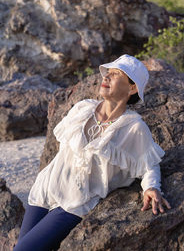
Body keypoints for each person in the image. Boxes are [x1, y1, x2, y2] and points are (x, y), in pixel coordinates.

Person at [14, 54, 171, 251]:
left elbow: (149, 164)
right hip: (44, 190)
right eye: (107, 73)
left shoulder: (133, 127)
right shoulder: (83, 108)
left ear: (132, 88)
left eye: (115, 74)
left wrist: (151, 187)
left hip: (75, 204)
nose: (106, 77)